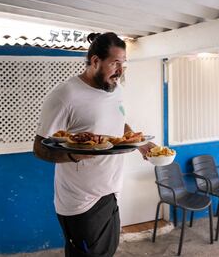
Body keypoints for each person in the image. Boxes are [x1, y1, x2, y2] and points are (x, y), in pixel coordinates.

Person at [33, 32, 154, 257]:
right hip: (80, 200)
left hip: (111, 191)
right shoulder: (65, 95)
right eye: (115, 63)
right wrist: (77, 154)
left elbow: (117, 122)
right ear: (96, 61)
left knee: (107, 252)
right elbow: (40, 148)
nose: (120, 71)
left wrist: (138, 143)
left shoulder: (115, 90)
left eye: (123, 64)